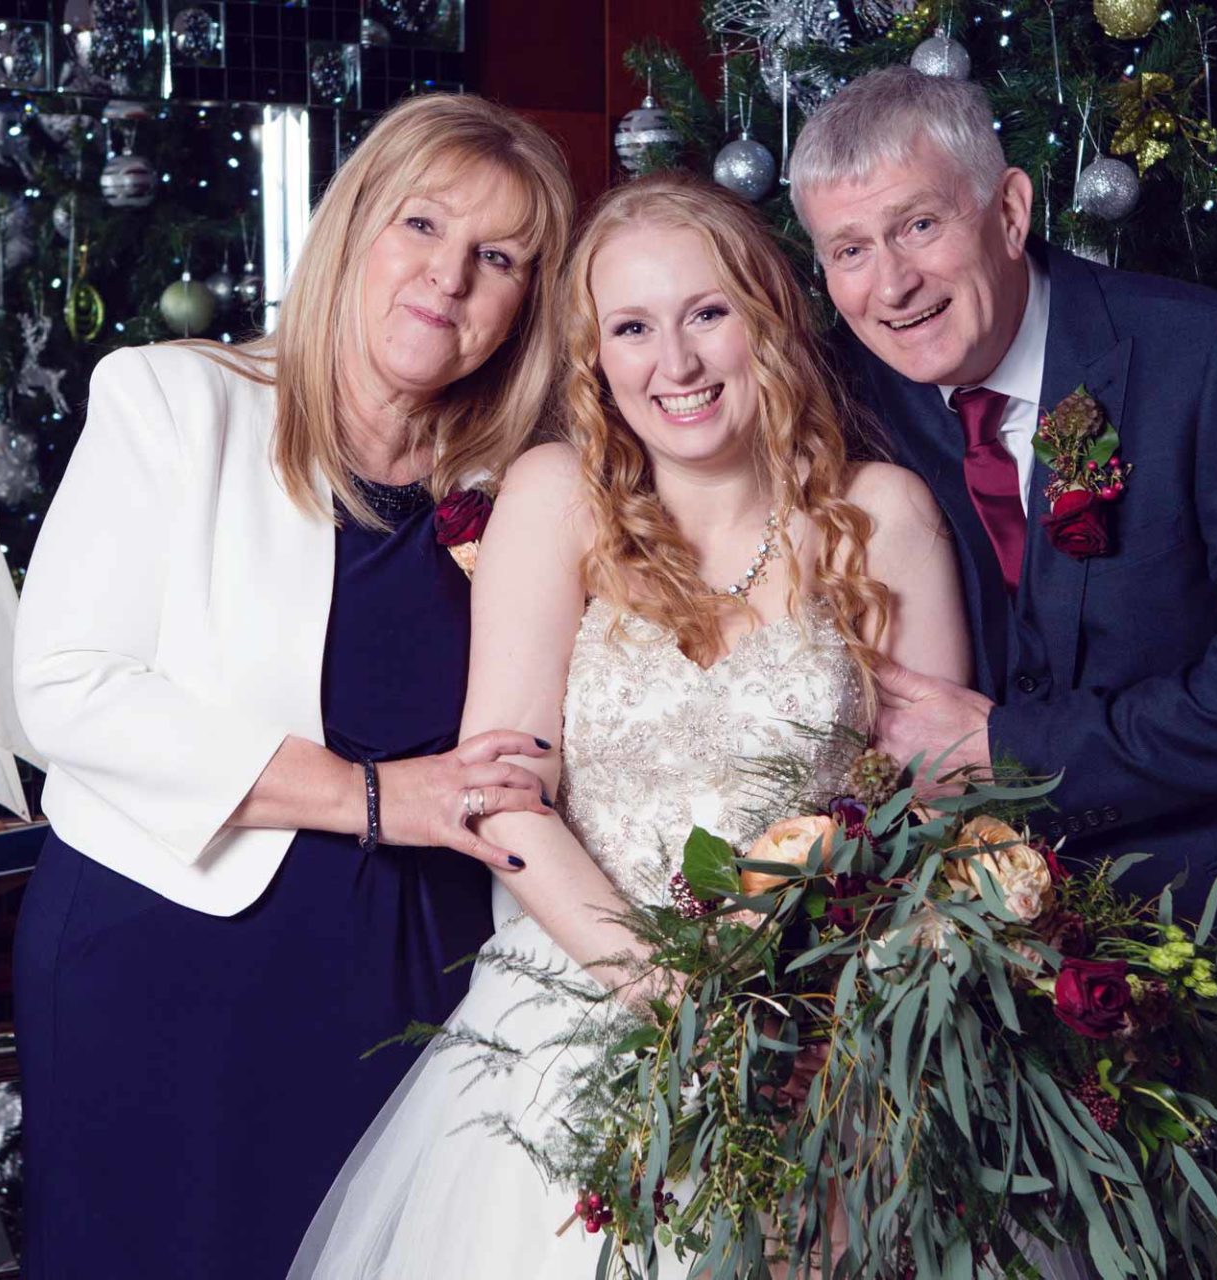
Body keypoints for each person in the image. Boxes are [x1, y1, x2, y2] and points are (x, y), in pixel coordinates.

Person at [788, 65, 1217, 1279]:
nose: (891, 282)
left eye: (920, 224)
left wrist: (1013, 752)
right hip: (980, 994)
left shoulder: (1207, 360)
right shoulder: (855, 391)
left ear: (1010, 210)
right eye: (849, 249)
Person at [289, 173, 967, 1278]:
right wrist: (684, 1000)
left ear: (772, 321)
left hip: (826, 1031)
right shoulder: (558, 495)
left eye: (709, 315)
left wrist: (800, 1017)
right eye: (635, 329)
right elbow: (500, 790)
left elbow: (931, 808)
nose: (678, 364)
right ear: (596, 355)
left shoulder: (881, 513)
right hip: (579, 1007)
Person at [9, 93, 575, 1279]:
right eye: (421, 225)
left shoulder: (523, 483)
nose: (449, 278)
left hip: (433, 969)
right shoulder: (175, 400)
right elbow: (62, 687)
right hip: (174, 948)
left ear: (529, 298)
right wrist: (375, 796)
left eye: (498, 257)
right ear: (353, 226)